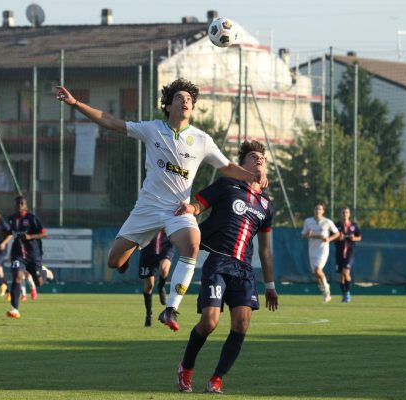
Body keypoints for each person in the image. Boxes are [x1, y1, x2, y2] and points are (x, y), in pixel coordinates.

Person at [56, 79, 267, 331]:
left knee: (192, 244)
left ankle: (171, 309)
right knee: (114, 261)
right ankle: (137, 245)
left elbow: (228, 168)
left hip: (177, 209)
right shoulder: (152, 129)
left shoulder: (201, 139)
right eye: (180, 97)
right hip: (147, 207)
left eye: (189, 99)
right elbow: (110, 121)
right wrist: (76, 103)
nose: (186, 101)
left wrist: (251, 175)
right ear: (168, 106)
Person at [174, 140, 278, 393]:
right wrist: (191, 208)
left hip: (243, 271)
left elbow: (265, 249)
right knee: (210, 322)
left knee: (241, 326)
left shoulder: (266, 205)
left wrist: (270, 285)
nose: (259, 160)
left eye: (262, 158)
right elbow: (200, 203)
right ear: (241, 164)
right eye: (253, 157)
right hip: (218, 261)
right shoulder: (227, 185)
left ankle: (216, 379)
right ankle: (185, 367)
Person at [3, 196, 53, 318]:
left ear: (26, 205)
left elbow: (44, 233)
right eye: (17, 203)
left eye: (22, 203)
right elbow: (8, 232)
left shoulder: (32, 218)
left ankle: (45, 271)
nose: (19, 205)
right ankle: (14, 309)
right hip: (18, 255)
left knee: (39, 282)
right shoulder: (11, 219)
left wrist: (30, 237)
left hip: (33, 255)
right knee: (17, 276)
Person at [302, 202, 340, 303]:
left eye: (319, 209)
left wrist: (329, 239)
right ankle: (325, 292)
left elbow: (337, 233)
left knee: (318, 269)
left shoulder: (327, 222)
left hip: (323, 249)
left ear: (323, 211)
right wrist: (308, 234)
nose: (317, 211)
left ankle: (327, 288)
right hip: (312, 250)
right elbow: (303, 235)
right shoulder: (308, 221)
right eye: (316, 209)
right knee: (316, 272)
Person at [139, 229, 175, 327]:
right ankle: (149, 314)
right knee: (149, 286)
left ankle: (161, 287)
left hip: (165, 245)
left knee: (164, 269)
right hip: (147, 248)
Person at [334, 207, 361, 303]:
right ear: (341, 214)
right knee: (341, 276)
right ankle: (344, 294)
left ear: (349, 214)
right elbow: (331, 237)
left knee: (346, 272)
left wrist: (354, 238)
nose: (345, 214)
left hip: (350, 252)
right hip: (339, 252)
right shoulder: (336, 225)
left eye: (347, 212)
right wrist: (338, 237)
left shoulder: (354, 225)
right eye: (343, 212)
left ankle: (348, 293)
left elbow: (359, 237)